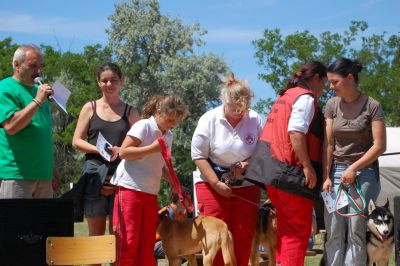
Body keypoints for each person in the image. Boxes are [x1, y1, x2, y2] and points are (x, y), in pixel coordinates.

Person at [246, 61, 327, 266]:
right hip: (290, 172)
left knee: (285, 229)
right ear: (315, 78)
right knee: (297, 232)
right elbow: (296, 132)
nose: (323, 90)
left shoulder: (285, 95)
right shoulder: (305, 97)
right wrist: (308, 167)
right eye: (324, 83)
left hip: (271, 171)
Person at [191, 73, 263, 266]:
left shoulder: (255, 119)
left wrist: (246, 165)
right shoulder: (209, 119)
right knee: (215, 238)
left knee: (243, 235)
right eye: (235, 108)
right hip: (210, 184)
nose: (240, 112)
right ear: (225, 101)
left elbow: (264, 151)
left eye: (244, 109)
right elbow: (198, 155)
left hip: (247, 184)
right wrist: (215, 183)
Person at [322, 58, 386, 266]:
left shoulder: (373, 106)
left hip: (364, 174)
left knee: (356, 231)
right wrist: (326, 176)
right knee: (333, 232)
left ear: (350, 78)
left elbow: (379, 146)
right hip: (336, 173)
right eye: (329, 82)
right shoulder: (331, 105)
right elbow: (328, 143)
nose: (331, 87)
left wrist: (353, 168)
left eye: (335, 82)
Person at [111, 94, 189, 266]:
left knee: (147, 244)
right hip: (130, 188)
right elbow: (123, 153)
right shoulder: (143, 126)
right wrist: (152, 148)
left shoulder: (168, 135)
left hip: (150, 192)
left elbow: (160, 166)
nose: (172, 125)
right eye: (169, 120)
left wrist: (175, 184)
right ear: (159, 112)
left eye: (175, 122)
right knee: (128, 242)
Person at [72, 62, 139, 240]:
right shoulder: (89, 108)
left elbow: (139, 147)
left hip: (123, 180)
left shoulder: (131, 112)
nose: (109, 84)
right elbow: (76, 141)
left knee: (119, 238)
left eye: (113, 80)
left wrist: (120, 151)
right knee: (96, 239)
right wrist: (100, 150)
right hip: (94, 178)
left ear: (121, 82)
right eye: (104, 80)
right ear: (98, 82)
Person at [0, 44, 60, 198]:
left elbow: (43, 132)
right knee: (15, 222)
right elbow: (11, 126)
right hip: (17, 175)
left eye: (41, 66)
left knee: (43, 223)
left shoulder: (38, 91)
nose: (39, 72)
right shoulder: (5, 88)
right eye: (33, 66)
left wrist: (52, 169)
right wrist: (38, 101)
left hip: (44, 175)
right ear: (16, 65)